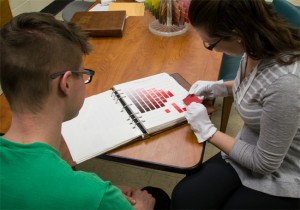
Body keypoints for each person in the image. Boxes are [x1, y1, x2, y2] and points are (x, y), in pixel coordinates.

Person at [0, 12, 170, 209]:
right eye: (82, 73)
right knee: (158, 197)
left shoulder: (92, 193)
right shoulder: (98, 196)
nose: (84, 79)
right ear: (66, 84)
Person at [171, 0, 300, 209]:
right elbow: (256, 85)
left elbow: (264, 164)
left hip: (283, 170)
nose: (211, 50)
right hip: (252, 143)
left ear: (235, 32)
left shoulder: (286, 82)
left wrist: (208, 131)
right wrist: (219, 87)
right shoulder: (256, 43)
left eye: (210, 44)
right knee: (184, 199)